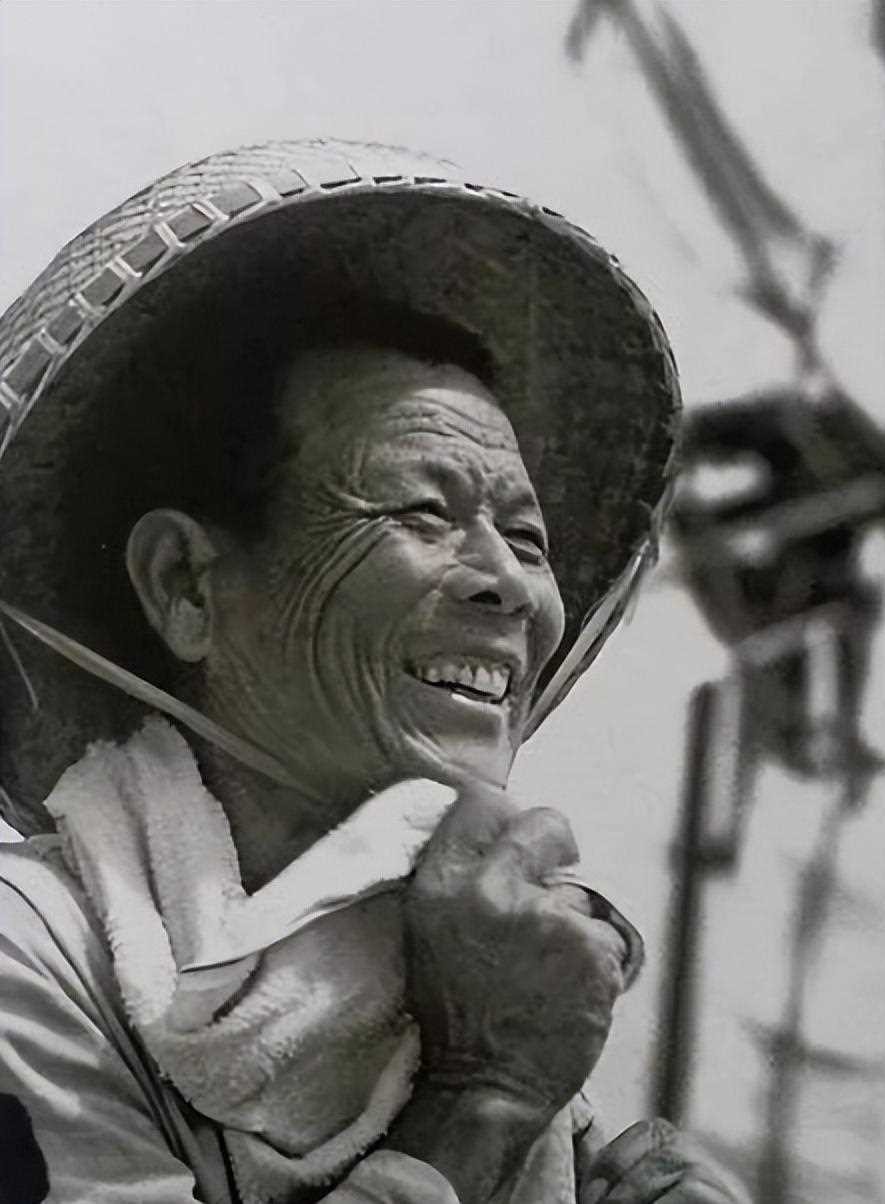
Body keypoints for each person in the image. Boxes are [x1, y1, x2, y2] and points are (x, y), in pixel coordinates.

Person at [0, 140, 742, 1204]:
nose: (508, 585)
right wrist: (485, 1093)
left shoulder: (454, 970)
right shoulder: (28, 959)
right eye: (424, 513)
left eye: (526, 540)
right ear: (187, 585)